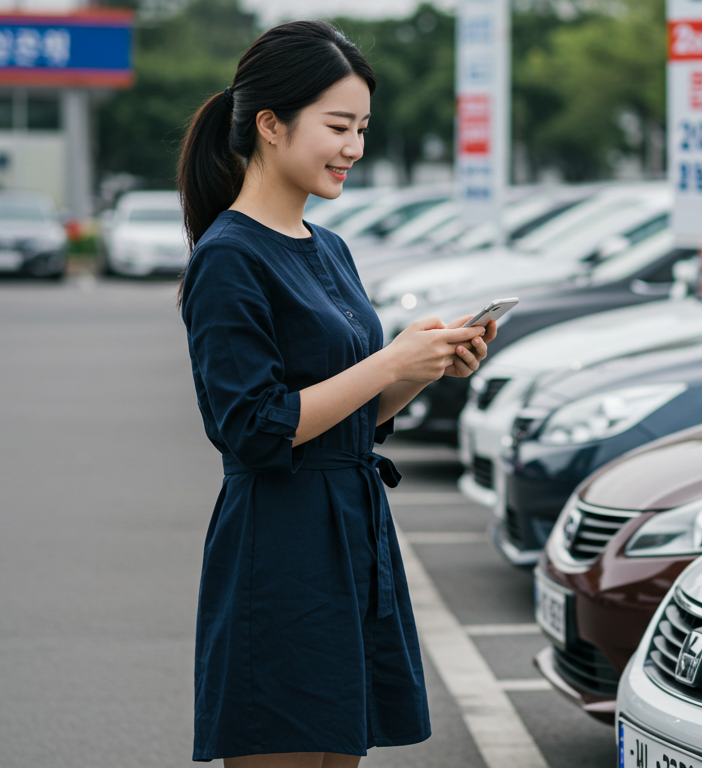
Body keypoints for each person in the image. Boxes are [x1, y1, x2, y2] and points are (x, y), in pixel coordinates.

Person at [175, 21, 491, 768]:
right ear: (271, 125)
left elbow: (346, 415)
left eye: (362, 129)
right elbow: (255, 427)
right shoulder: (228, 259)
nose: (354, 147)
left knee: (340, 752)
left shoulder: (331, 246)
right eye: (339, 126)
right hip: (279, 547)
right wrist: (388, 364)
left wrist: (423, 368)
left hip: (350, 532)